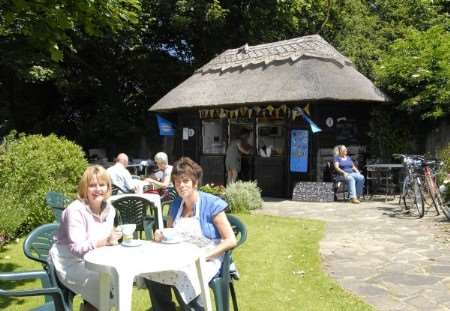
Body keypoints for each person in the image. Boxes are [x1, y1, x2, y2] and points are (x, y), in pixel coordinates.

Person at [144, 157, 237, 311]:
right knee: (152, 268)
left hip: (208, 256)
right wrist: (161, 234)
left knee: (183, 273)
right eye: (177, 181)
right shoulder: (176, 204)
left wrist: (204, 256)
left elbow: (230, 240)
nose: (181, 185)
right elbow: (170, 232)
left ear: (195, 182)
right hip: (180, 254)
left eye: (185, 180)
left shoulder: (212, 204)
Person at [49, 165, 122, 311]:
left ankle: (91, 306)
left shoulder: (110, 210)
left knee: (118, 277)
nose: (98, 189)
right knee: (101, 283)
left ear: (108, 187)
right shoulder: (75, 210)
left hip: (95, 260)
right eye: (92, 185)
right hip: (69, 261)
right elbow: (76, 249)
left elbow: (105, 239)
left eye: (102, 185)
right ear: (84, 188)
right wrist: (105, 241)